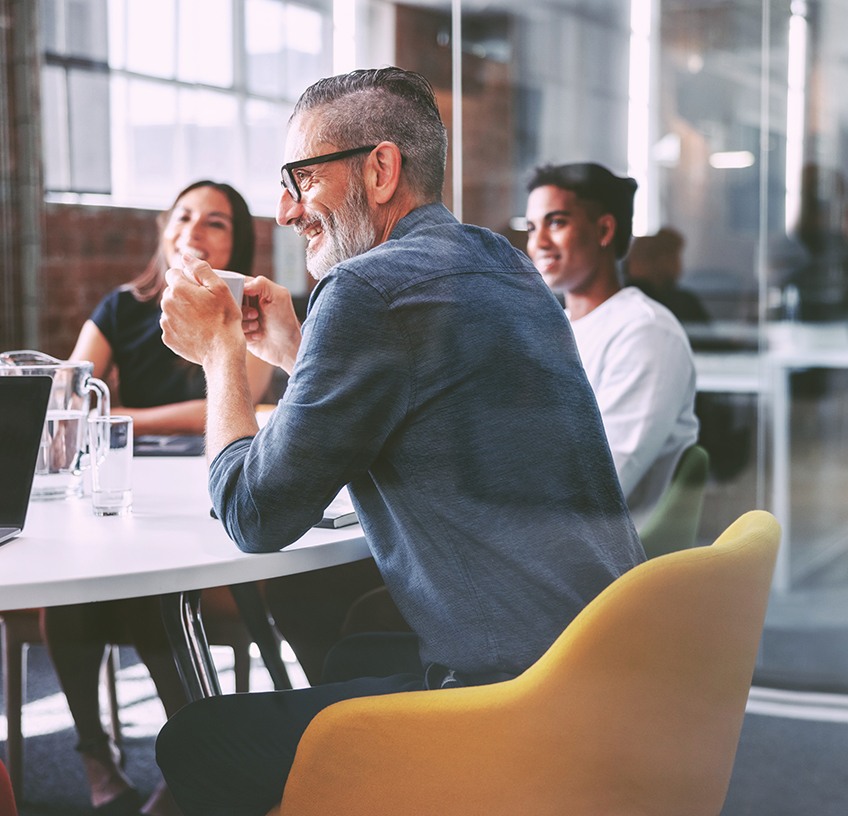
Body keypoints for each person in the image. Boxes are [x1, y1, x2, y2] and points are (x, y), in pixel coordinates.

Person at [153, 67, 643, 814]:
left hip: (514, 702)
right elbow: (427, 404)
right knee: (355, 643)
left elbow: (254, 517)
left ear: (380, 169)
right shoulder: (499, 262)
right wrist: (297, 351)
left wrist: (221, 353)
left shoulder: (365, 292)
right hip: (600, 671)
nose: (285, 210)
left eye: (301, 177)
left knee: (194, 740)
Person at [41, 181, 273, 816]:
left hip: (205, 493)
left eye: (217, 223)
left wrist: (121, 418)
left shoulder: (247, 309)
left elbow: (229, 403)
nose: (195, 229)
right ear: (166, 230)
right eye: (185, 216)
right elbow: (68, 396)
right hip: (123, 492)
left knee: (153, 581)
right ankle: (94, 755)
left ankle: (191, 762)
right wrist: (91, 409)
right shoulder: (121, 308)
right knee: (71, 586)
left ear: (238, 243)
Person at [525, 162, 699, 524]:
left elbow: (601, 483)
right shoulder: (556, 329)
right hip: (549, 531)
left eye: (556, 223)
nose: (538, 243)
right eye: (531, 227)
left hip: (604, 557)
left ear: (604, 229)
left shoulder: (645, 333)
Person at [623, 227, 711, 324]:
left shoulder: (621, 300)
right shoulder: (681, 303)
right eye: (675, 256)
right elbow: (710, 336)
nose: (680, 263)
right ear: (661, 260)